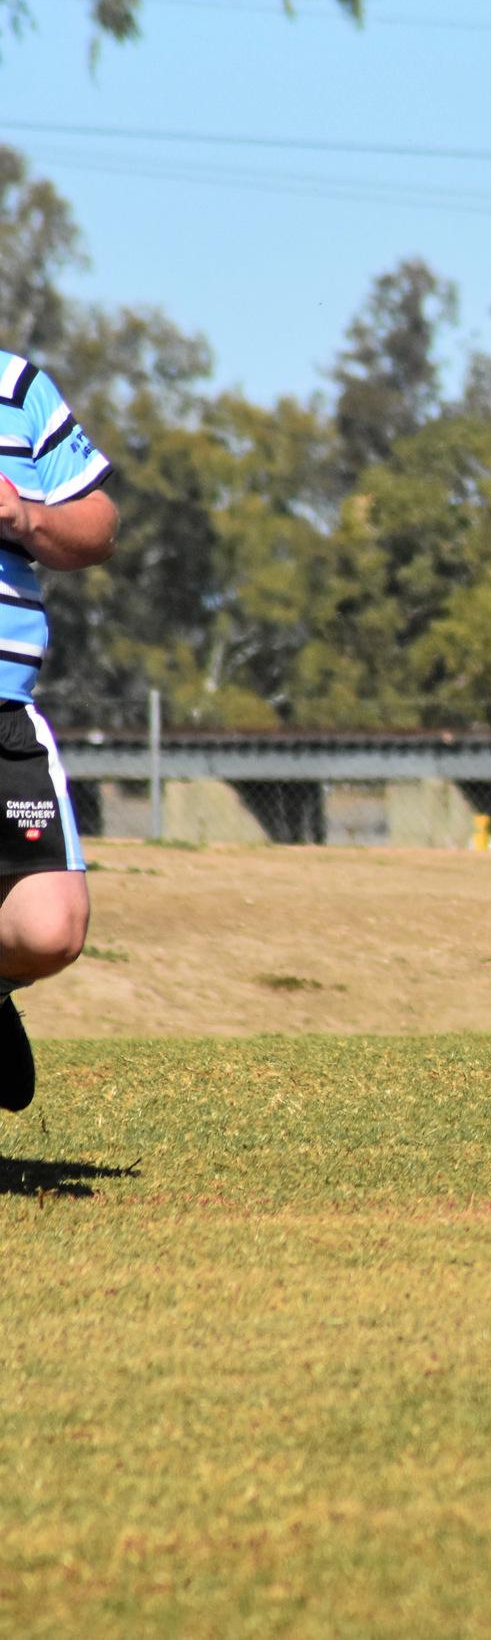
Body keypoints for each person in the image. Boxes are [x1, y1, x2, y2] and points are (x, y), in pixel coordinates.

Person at [0, 352, 118, 1116]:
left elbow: (99, 523)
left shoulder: (13, 385)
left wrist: (24, 518)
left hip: (3, 710)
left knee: (52, 929)